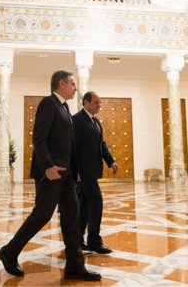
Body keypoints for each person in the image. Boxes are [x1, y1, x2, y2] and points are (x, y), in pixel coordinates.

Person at [0, 70, 101, 282]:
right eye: (73, 84)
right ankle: (9, 252)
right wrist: (48, 167)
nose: (76, 88)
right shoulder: (48, 104)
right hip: (52, 173)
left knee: (73, 217)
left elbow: (68, 144)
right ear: (61, 84)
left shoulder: (64, 107)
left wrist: (75, 170)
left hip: (67, 175)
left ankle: (74, 266)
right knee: (42, 215)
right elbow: (39, 139)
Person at [73, 91, 119, 254]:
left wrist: (111, 160)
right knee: (97, 201)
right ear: (86, 102)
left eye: (100, 103)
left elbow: (102, 144)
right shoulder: (77, 119)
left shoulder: (96, 121)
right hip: (83, 172)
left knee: (84, 206)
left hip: (92, 170)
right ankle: (93, 241)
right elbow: (73, 146)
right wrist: (75, 170)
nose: (99, 105)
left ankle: (77, 241)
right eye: (96, 102)